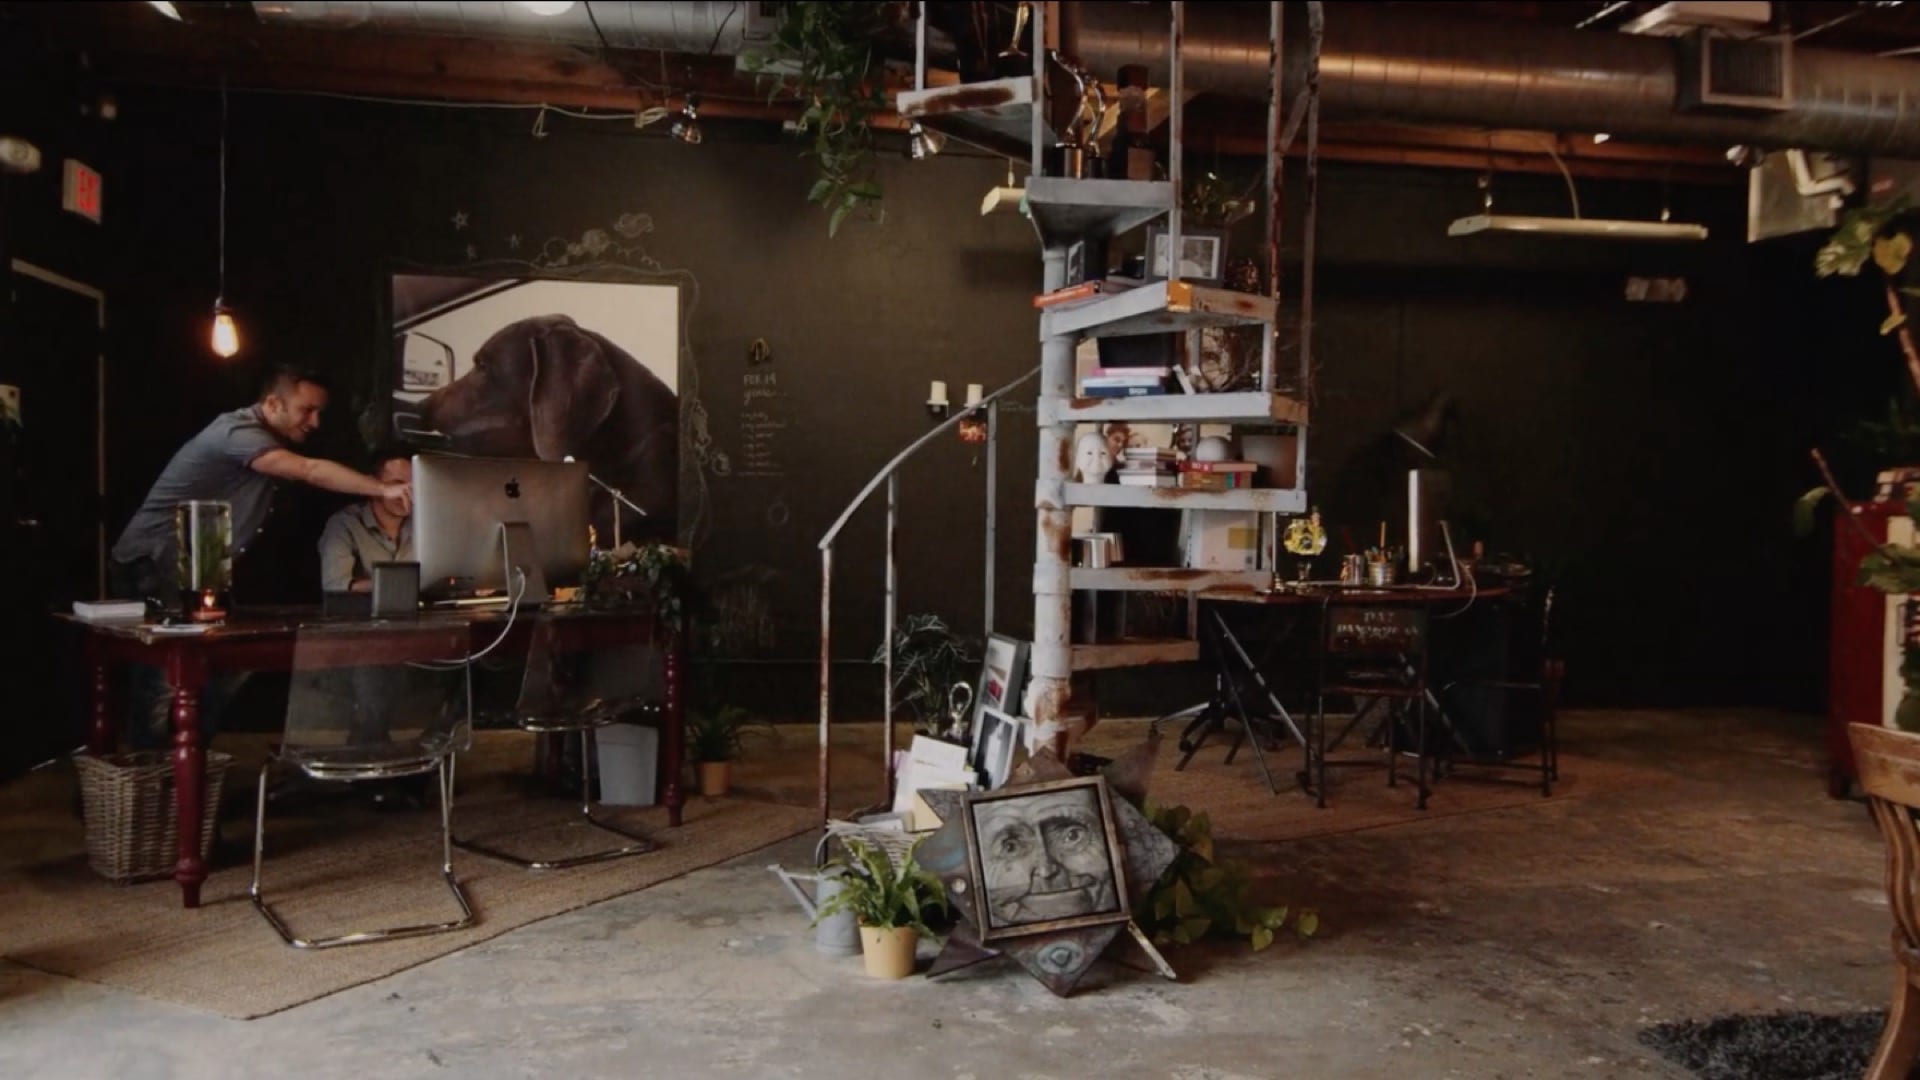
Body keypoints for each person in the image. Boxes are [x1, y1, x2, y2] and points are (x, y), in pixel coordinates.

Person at [108, 366, 412, 747]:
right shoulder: (235, 432)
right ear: (272, 403)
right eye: (307, 410)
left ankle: (187, 771)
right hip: (152, 564)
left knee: (230, 665)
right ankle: (151, 787)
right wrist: (382, 490)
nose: (315, 422)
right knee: (162, 684)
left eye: (320, 412)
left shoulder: (262, 437)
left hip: (199, 574)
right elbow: (309, 470)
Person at [317, 450, 414, 592]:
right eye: (397, 484)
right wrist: (395, 585)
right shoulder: (344, 524)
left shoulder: (424, 524)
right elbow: (335, 586)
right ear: (372, 485)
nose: (405, 493)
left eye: (411, 486)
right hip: (361, 612)